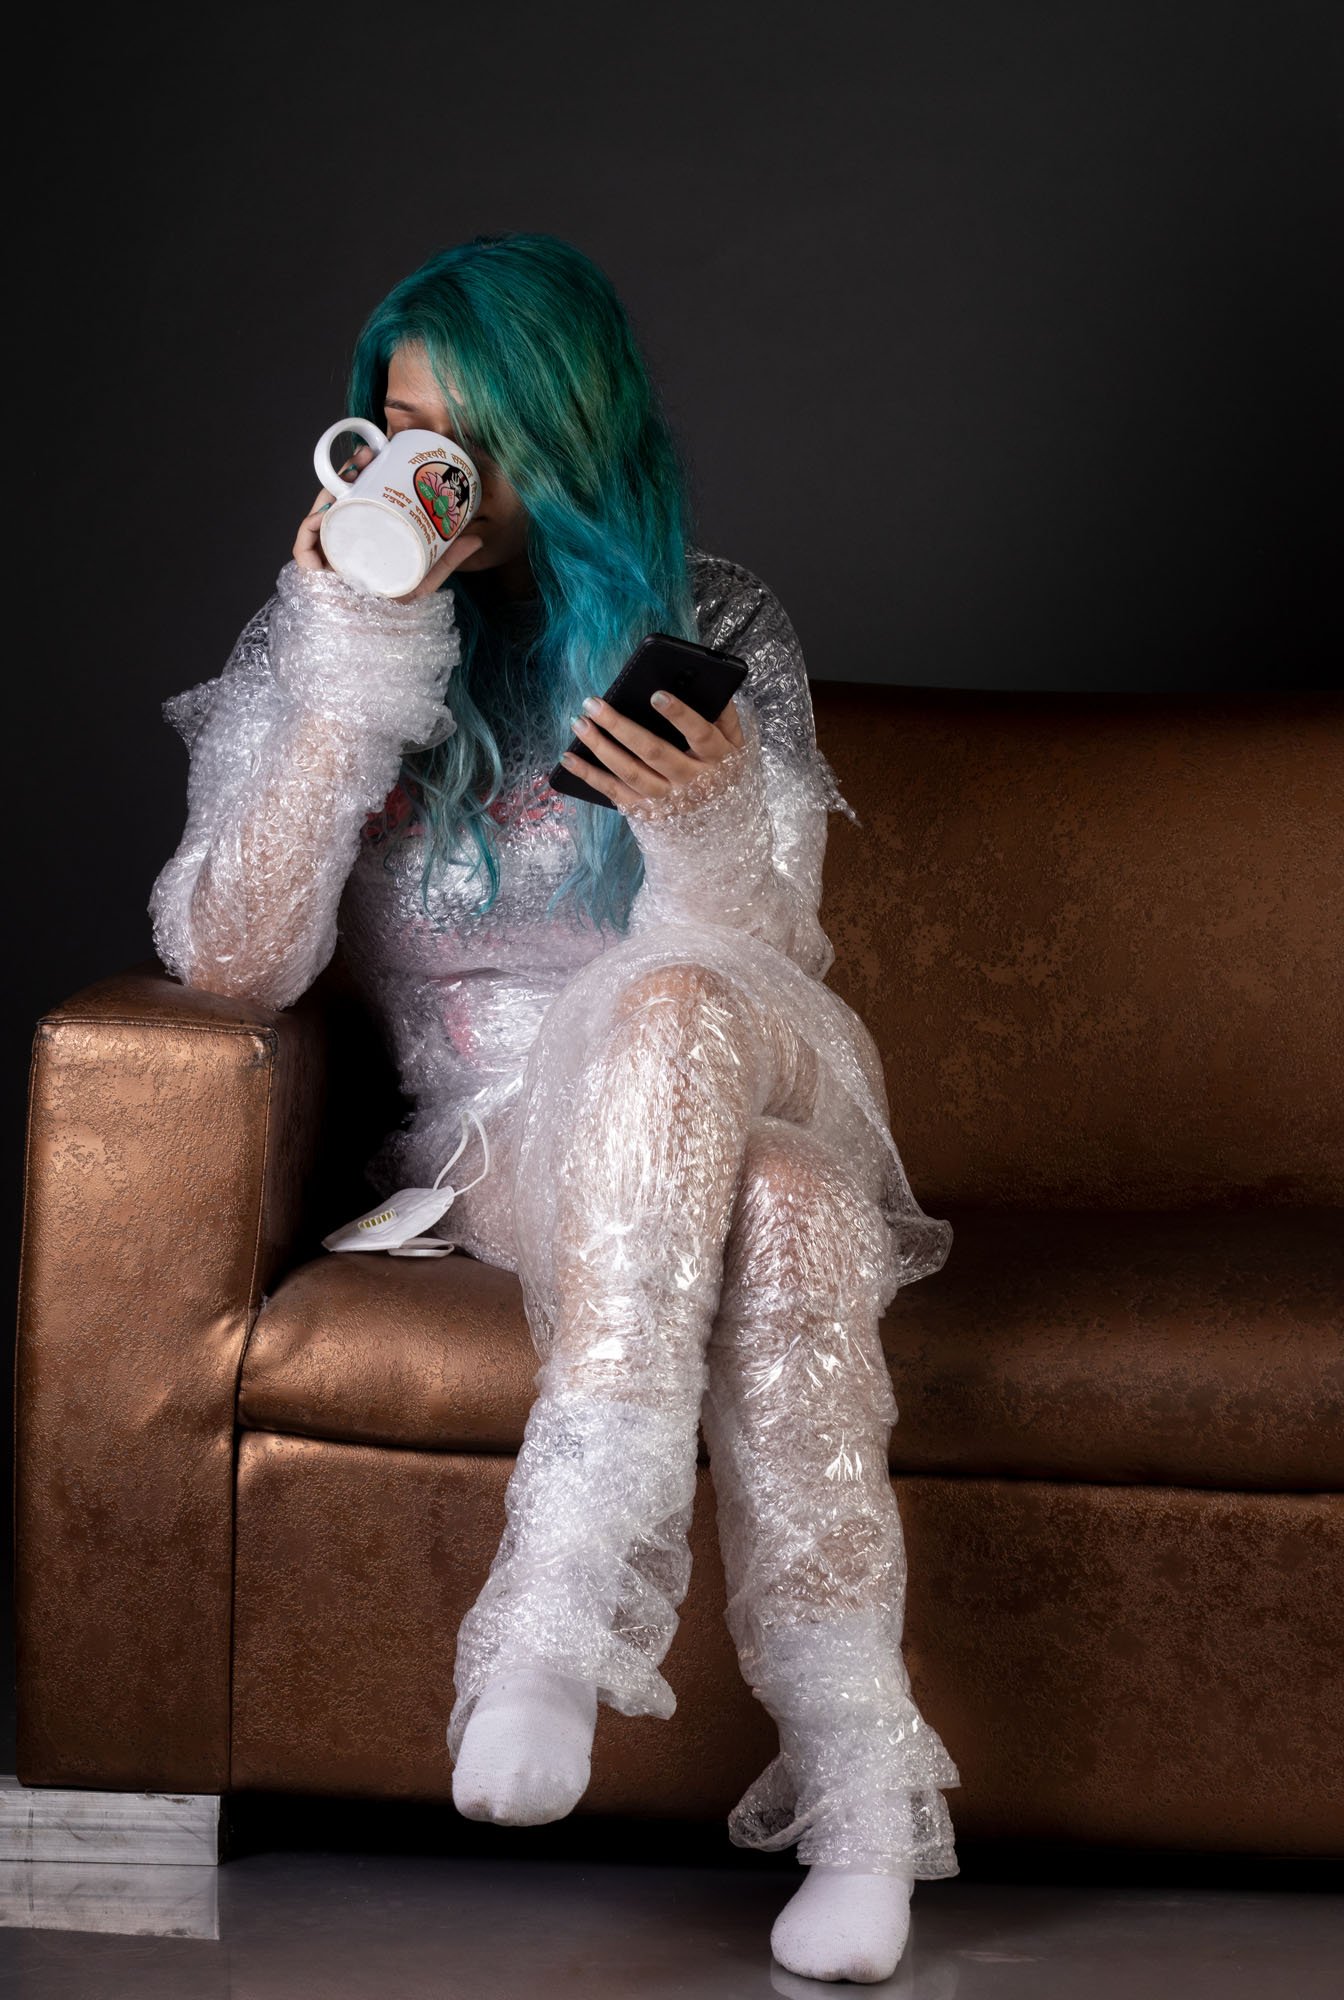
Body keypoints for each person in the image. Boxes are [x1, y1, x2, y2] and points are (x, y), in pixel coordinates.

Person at [148, 231, 961, 1984]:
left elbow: (769, 959)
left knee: (680, 1010)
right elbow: (228, 958)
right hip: (502, 1137)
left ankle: (554, 1619)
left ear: (573, 441)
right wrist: (351, 669)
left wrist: (705, 823)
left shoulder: (718, 621)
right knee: (791, 1216)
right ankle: (862, 1810)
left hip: (726, 1047)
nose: (431, 474)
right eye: (403, 431)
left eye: (480, 440)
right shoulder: (325, 623)